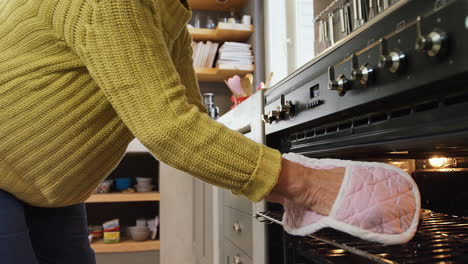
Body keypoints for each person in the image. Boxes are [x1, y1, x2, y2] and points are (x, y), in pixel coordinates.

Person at [0, 0, 345, 263]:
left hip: (49, 192)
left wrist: (278, 186)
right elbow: (168, 128)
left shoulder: (172, 20)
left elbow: (190, 116)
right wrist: (308, 184)